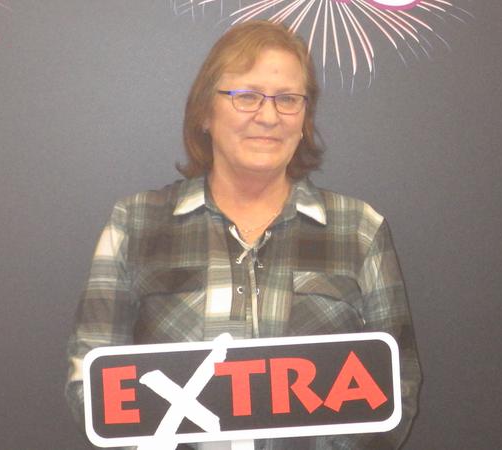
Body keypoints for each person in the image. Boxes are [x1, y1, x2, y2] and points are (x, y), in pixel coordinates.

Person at [66, 20, 421, 449]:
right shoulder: (136, 223)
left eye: (287, 99)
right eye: (247, 96)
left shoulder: (358, 230)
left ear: (304, 119)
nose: (268, 117)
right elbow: (89, 381)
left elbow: (397, 383)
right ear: (204, 112)